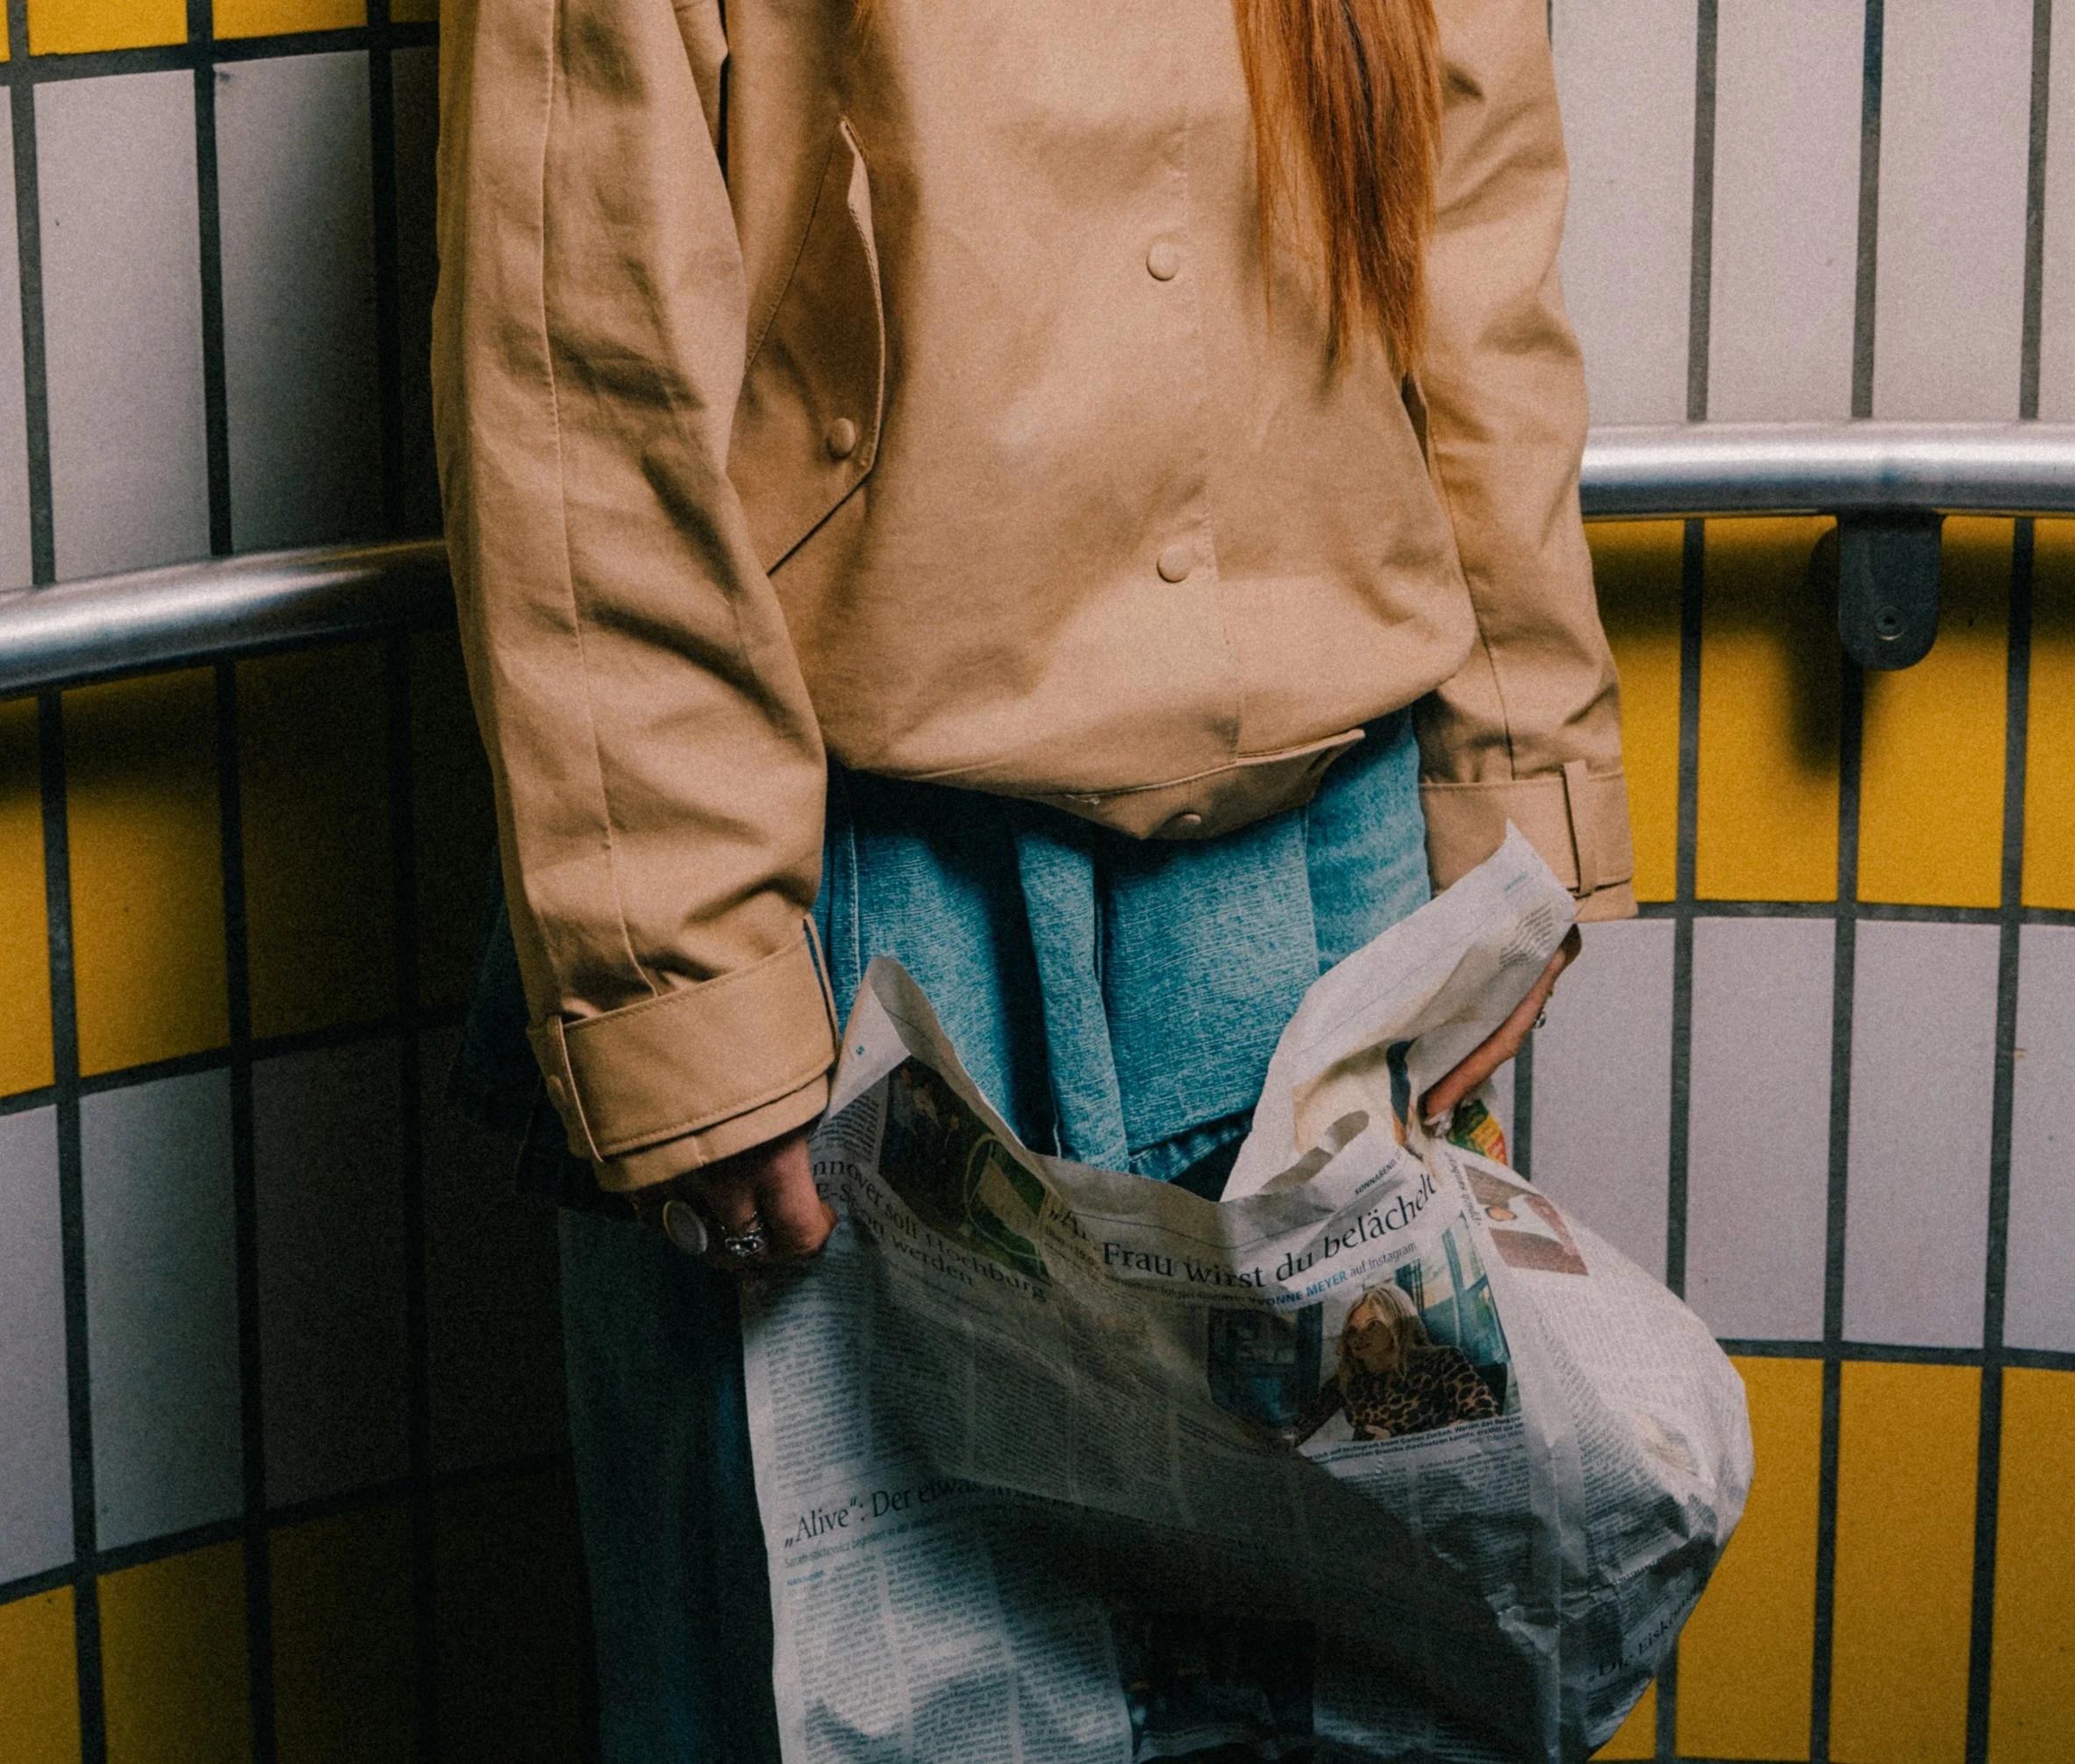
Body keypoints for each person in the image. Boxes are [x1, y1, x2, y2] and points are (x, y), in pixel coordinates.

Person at [433, 0, 1628, 1753]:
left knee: (1357, 1695)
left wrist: (1518, 788)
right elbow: (577, 324)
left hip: (1333, 879)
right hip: (871, 897)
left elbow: (1470, 225)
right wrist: (680, 972)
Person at [1292, 1284, 1501, 1446]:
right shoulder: (1349, 1377)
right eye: (1353, 1330)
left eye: (1373, 1324)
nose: (1359, 1337)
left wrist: (1400, 1441)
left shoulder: (1443, 1360)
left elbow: (1485, 1419)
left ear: (1400, 1325)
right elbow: (1303, 1425)